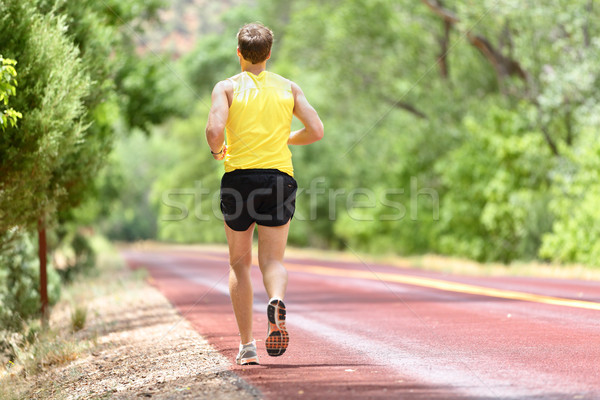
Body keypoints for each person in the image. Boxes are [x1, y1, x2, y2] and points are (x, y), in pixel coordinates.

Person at [205, 23, 324, 365]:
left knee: (239, 263)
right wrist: (286, 138)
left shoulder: (226, 88)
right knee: (272, 261)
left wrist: (218, 152)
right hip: (278, 179)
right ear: (269, 54)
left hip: (239, 180)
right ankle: (275, 298)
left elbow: (215, 130)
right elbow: (316, 130)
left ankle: (247, 347)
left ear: (239, 53)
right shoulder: (289, 88)